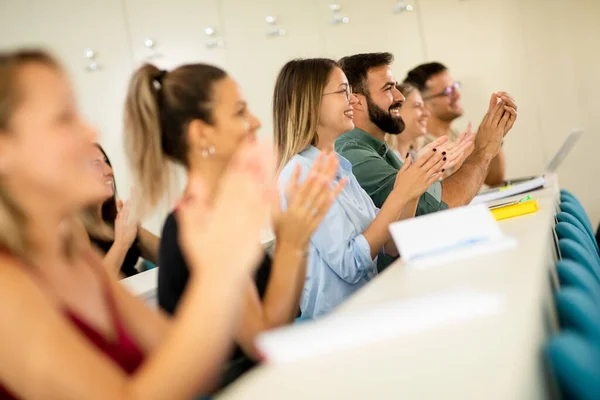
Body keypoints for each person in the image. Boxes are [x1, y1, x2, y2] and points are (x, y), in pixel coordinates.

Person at [0, 49, 276, 399]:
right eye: (64, 118)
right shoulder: (5, 286)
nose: (91, 130)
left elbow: (196, 369)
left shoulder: (79, 256)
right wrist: (219, 272)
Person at [123, 62, 341, 388]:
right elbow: (262, 341)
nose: (254, 122)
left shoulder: (222, 210)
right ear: (202, 133)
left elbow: (283, 311)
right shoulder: (198, 223)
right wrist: (292, 242)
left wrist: (298, 234)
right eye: (240, 112)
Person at [274, 58, 446, 318]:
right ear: (311, 102)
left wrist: (410, 190)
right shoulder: (301, 175)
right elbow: (351, 263)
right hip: (340, 322)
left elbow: (389, 245)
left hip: (371, 307)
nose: (353, 100)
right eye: (343, 92)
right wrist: (400, 194)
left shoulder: (339, 166)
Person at [336, 52, 517, 213]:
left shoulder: (378, 149)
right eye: (388, 89)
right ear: (356, 102)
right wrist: (483, 150)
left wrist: (487, 144)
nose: (400, 97)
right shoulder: (354, 154)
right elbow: (440, 206)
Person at [404, 62, 506, 186]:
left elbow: (495, 180)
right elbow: (444, 198)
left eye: (456, 87)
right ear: (421, 102)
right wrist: (473, 157)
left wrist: (493, 137)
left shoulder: (456, 135)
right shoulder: (417, 147)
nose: (457, 95)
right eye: (447, 91)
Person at [82, 143, 160, 278]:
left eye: (106, 162)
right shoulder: (73, 231)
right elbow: (94, 288)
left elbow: (170, 258)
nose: (109, 171)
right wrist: (122, 243)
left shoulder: (113, 221)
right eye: (96, 164)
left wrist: (135, 228)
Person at [385, 83, 475, 178]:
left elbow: (442, 191)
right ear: (394, 111)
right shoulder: (386, 163)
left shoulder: (417, 156)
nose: (427, 114)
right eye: (417, 106)